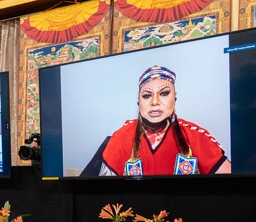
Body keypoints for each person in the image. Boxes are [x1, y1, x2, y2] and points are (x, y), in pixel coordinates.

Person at [84, 65, 231, 176]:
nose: (155, 102)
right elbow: (103, 194)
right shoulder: (120, 138)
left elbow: (232, 187)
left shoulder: (195, 135)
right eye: (147, 96)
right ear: (138, 101)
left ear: (175, 97)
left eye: (164, 93)